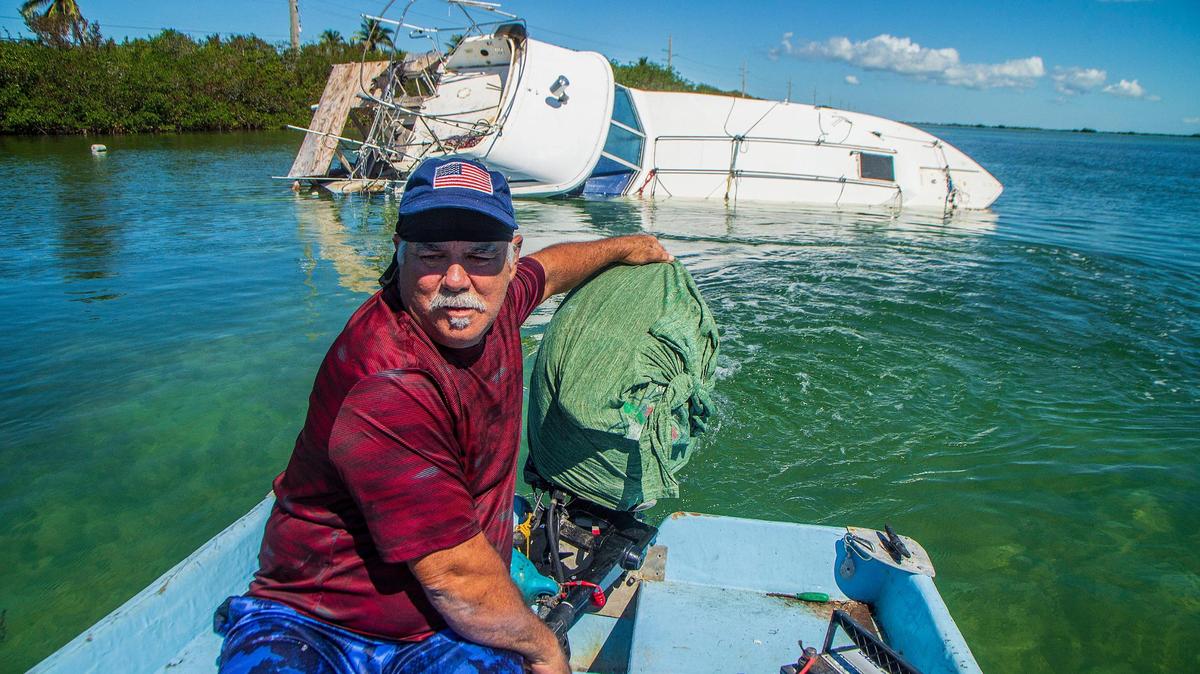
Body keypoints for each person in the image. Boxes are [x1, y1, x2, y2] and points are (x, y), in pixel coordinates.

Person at [214, 158, 672, 674]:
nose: (457, 280)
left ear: (510, 256)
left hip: (441, 627)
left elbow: (551, 270)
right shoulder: (387, 382)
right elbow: (457, 577)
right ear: (400, 253)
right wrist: (545, 650)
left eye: (480, 254)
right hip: (317, 620)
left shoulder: (493, 300)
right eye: (432, 254)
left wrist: (629, 246)